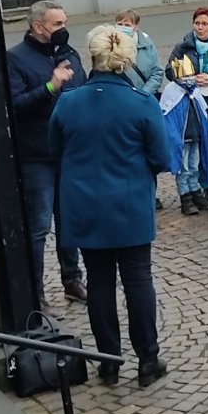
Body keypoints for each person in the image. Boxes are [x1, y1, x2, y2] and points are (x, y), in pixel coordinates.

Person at [51, 25, 171, 387]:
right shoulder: (142, 103)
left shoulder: (68, 102)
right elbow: (161, 157)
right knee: (138, 281)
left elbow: (55, 151)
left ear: (93, 57)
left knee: (99, 283)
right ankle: (147, 359)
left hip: (86, 206)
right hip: (131, 203)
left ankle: (108, 361)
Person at [7, 0, 87, 311]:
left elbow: (81, 88)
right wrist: (51, 87)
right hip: (37, 155)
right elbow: (15, 106)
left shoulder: (68, 53)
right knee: (39, 225)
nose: (63, 29)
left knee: (69, 220)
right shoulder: (15, 59)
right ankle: (35, 291)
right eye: (57, 24)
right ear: (38, 27)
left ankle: (72, 279)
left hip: (70, 152)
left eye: (65, 22)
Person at [166, 8, 208, 212]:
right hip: (193, 107)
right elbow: (170, 71)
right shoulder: (184, 47)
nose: (200, 27)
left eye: (204, 23)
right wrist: (186, 77)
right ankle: (200, 190)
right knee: (195, 151)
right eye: (197, 23)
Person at [115, 10, 164, 97]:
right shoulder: (109, 45)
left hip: (145, 97)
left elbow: (157, 72)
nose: (122, 28)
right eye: (119, 24)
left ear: (136, 27)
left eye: (127, 25)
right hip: (121, 99)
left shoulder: (146, 42)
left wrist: (144, 93)